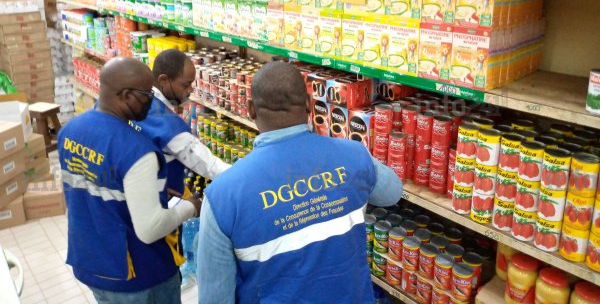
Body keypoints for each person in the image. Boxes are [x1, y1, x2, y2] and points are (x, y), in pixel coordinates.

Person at [197, 62, 404, 304]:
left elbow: (214, 297)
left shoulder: (222, 197)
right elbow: (393, 192)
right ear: (309, 103)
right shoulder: (355, 155)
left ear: (251, 109)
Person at [58, 57, 201, 304]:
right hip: (138, 274)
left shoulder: (70, 130)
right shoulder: (136, 151)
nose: (152, 101)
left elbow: (93, 186)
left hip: (91, 260)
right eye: (147, 94)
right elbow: (150, 229)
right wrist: (191, 207)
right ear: (126, 95)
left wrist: (149, 192)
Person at [131, 49, 230, 197]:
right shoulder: (168, 126)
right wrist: (246, 174)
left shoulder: (135, 98)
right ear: (163, 80)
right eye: (185, 84)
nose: (190, 90)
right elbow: (209, 165)